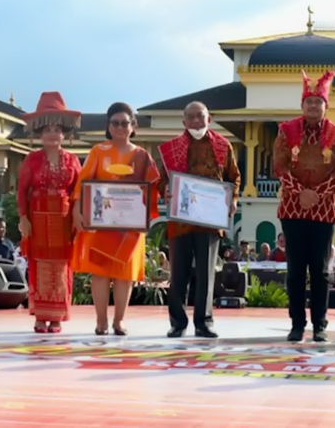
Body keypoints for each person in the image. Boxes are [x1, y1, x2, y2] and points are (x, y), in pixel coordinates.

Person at [273, 70, 335, 342]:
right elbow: (279, 167)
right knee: (295, 270)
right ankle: (297, 324)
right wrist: (300, 193)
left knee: (321, 270)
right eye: (309, 101)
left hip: (323, 210)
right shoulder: (286, 131)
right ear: (302, 104)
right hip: (292, 211)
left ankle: (320, 324)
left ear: (325, 105)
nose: (314, 106)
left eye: (319, 102)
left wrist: (316, 194)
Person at [72, 102, 160, 336]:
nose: (120, 127)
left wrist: (146, 214)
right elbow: (82, 183)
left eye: (125, 123)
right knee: (100, 274)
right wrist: (77, 211)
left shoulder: (142, 156)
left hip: (129, 226)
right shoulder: (98, 152)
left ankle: (119, 321)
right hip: (100, 223)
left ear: (133, 126)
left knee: (124, 275)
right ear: (108, 127)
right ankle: (101, 321)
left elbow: (153, 188)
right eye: (115, 123)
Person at [158, 101, 240, 338]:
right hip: (180, 221)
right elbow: (162, 180)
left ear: (209, 119)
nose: (196, 121)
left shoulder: (224, 146)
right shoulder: (172, 148)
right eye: (191, 117)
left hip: (210, 220)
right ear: (184, 122)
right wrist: (165, 190)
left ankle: (204, 323)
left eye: (200, 116)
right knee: (179, 274)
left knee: (206, 274)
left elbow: (233, 177)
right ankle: (177, 323)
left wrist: (233, 199)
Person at [17, 92, 82, 333]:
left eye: (57, 129)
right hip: (37, 219)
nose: (52, 134)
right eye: (47, 130)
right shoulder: (30, 160)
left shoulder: (73, 161)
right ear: (39, 134)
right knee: (39, 265)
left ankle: (57, 316)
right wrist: (23, 218)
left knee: (62, 266)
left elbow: (78, 192)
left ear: (65, 133)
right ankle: (40, 315)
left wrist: (77, 216)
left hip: (64, 221)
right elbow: (22, 192)